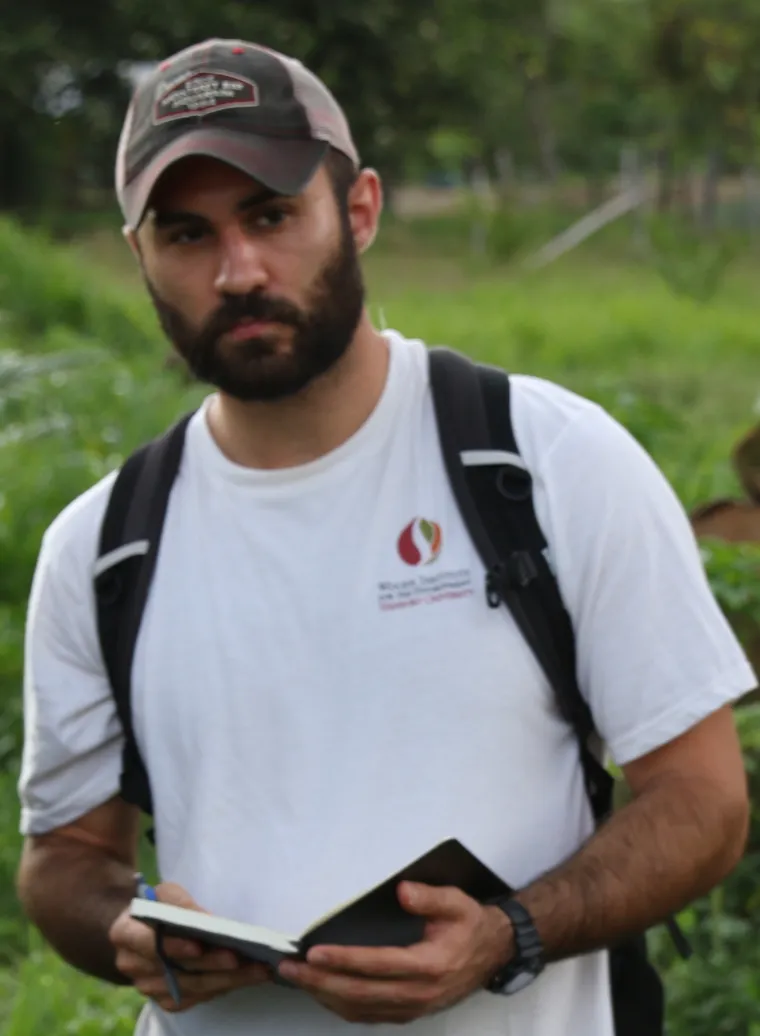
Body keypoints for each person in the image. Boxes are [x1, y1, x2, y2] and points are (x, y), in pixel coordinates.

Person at [15, 37, 755, 1036]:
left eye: (272, 216)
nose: (238, 270)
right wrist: (123, 927)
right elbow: (64, 855)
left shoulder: (542, 465)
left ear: (358, 210)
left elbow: (702, 802)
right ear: (138, 255)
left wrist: (508, 933)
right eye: (186, 236)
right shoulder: (103, 544)